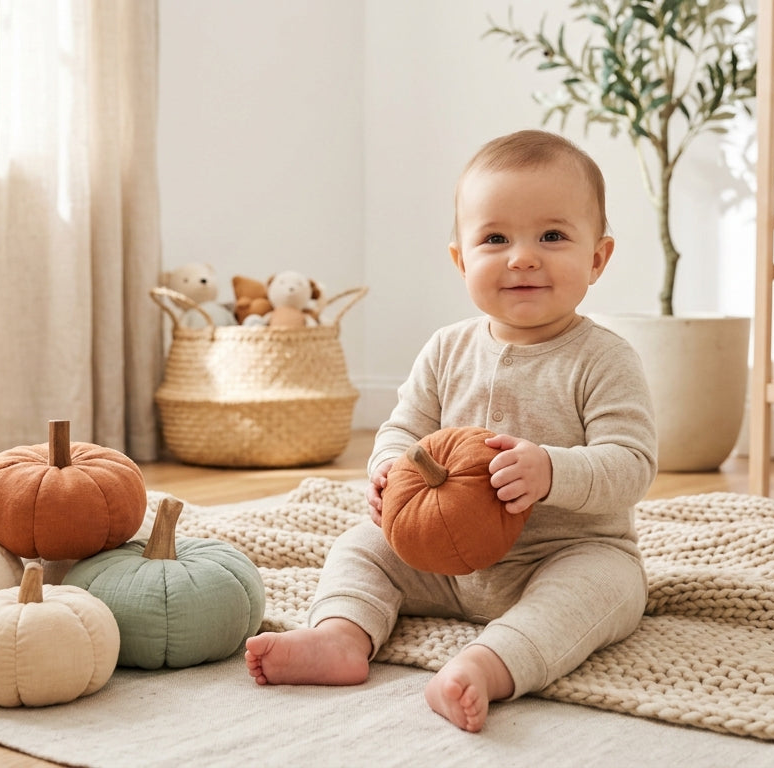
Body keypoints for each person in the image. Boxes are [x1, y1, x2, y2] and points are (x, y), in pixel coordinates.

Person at [243, 129, 657, 733]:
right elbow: (404, 427)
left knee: (607, 589)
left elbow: (631, 465)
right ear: (462, 259)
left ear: (597, 257)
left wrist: (551, 471)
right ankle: (340, 636)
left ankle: (487, 665)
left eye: (552, 236)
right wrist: (388, 469)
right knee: (362, 547)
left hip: (563, 552)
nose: (522, 257)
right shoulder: (447, 349)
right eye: (495, 238)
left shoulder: (604, 359)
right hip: (441, 560)